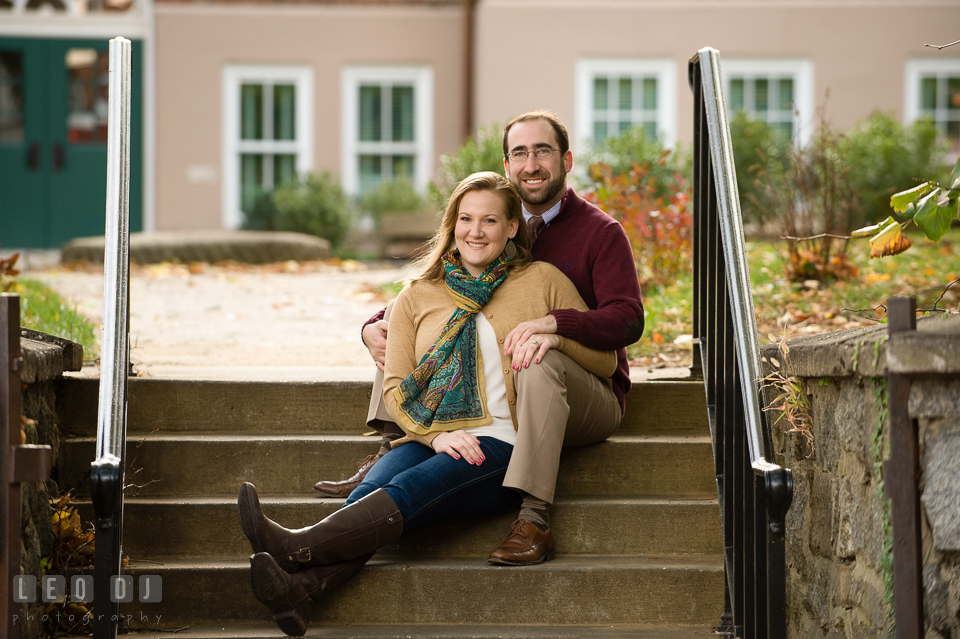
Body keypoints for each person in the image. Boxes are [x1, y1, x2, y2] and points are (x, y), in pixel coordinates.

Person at [238, 172, 616, 636]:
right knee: (367, 495)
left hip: (502, 444)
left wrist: (554, 334)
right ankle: (303, 590)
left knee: (407, 491)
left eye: (490, 221)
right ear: (452, 225)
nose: (475, 232)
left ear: (512, 227)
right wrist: (435, 435)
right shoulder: (417, 295)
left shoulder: (543, 280)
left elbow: (605, 359)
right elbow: (396, 386)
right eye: (465, 219)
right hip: (431, 433)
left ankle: (295, 546)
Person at [314, 110, 644, 566]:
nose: (531, 164)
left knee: (536, 357)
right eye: (519, 153)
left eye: (543, 151)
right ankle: (396, 441)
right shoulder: (492, 218)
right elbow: (437, 298)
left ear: (566, 159)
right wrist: (374, 323)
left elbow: (627, 319)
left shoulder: (598, 233)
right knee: (411, 331)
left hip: (578, 385)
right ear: (506, 166)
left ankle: (534, 516)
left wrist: (555, 325)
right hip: (500, 382)